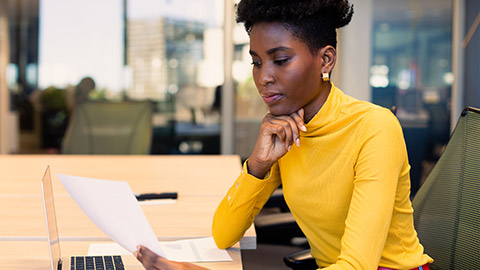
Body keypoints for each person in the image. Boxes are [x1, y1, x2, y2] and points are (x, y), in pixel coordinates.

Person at [135, 0, 433, 269]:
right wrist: (258, 164)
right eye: (256, 62)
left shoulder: (374, 128)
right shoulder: (284, 130)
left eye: (280, 60)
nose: (263, 77)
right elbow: (223, 234)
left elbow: (357, 265)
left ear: (325, 60)